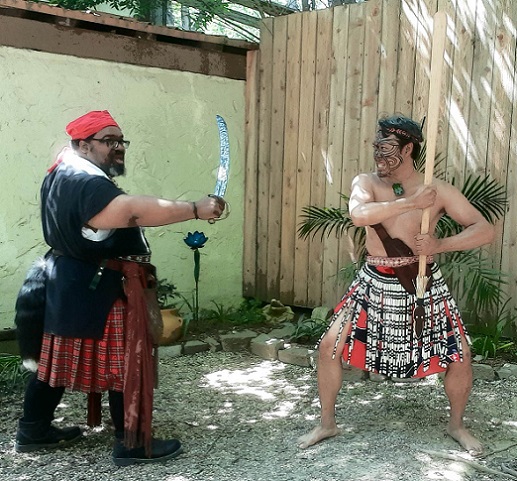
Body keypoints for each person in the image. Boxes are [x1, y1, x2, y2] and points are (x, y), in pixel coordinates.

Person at [14, 110, 226, 466]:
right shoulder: (85, 181)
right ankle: (132, 443)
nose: (118, 147)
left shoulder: (63, 172)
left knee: (56, 360)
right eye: (108, 141)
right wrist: (194, 208)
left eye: (120, 140)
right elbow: (129, 211)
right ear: (83, 145)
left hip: (74, 283)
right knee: (127, 364)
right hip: (98, 287)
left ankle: (33, 431)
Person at [298, 114, 495, 456]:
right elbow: (359, 214)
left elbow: (485, 229)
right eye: (377, 146)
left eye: (387, 147)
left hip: (422, 282)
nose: (379, 154)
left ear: (408, 149)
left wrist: (439, 245)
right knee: (329, 346)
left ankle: (457, 425)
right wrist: (410, 203)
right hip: (373, 279)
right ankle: (327, 423)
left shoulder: (438, 191)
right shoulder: (367, 182)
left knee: (460, 354)